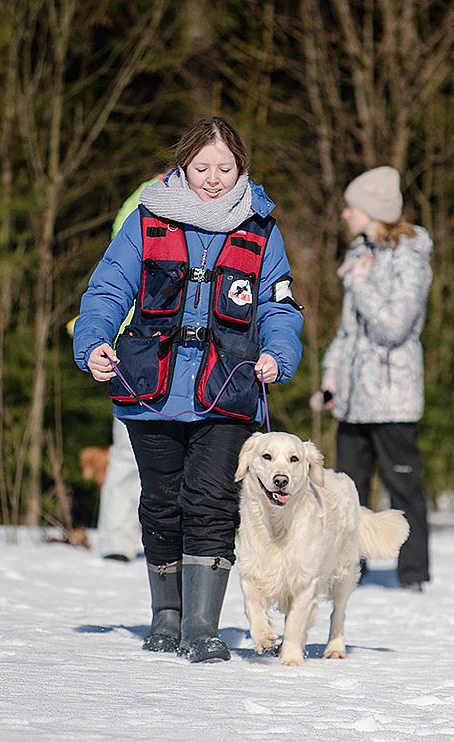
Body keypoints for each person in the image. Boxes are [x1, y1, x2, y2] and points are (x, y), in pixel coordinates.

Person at [73, 117, 304, 662]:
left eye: (225, 168)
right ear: (183, 166)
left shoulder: (261, 230)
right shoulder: (146, 220)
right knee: (161, 501)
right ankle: (167, 617)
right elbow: (107, 290)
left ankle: (202, 627)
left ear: (241, 168)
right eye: (202, 168)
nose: (213, 179)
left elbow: (279, 306)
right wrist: (94, 342)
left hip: (229, 388)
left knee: (212, 501)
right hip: (150, 389)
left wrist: (278, 354)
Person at [318, 166, 433, 590]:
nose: (345, 215)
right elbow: (349, 330)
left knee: (403, 487)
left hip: (392, 398)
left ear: (373, 210)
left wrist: (362, 285)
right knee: (347, 492)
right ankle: (351, 571)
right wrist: (331, 377)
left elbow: (394, 328)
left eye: (351, 207)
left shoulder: (410, 257)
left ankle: (413, 575)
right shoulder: (358, 252)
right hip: (353, 399)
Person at [93, 161, 169, 562]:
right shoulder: (148, 202)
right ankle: (119, 539)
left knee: (132, 446)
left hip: (141, 340)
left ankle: (119, 538)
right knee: (130, 445)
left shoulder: (137, 201)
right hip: (141, 340)